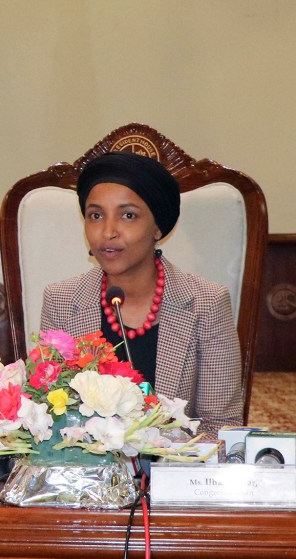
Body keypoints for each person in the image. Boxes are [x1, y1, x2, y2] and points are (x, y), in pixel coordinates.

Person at [39, 151, 242, 436]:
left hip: (174, 471)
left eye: (128, 215)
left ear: (157, 226)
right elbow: (50, 414)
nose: (108, 232)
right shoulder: (61, 300)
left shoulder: (206, 303)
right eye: (95, 215)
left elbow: (219, 425)